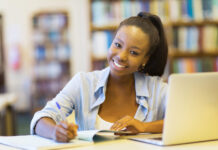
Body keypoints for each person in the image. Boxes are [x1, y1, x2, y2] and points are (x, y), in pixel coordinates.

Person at [30, 12, 168, 142]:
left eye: (133, 52)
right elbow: (41, 118)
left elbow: (186, 121)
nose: (121, 56)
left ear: (146, 59)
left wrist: (144, 127)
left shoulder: (158, 89)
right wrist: (55, 131)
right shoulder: (83, 83)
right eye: (118, 45)